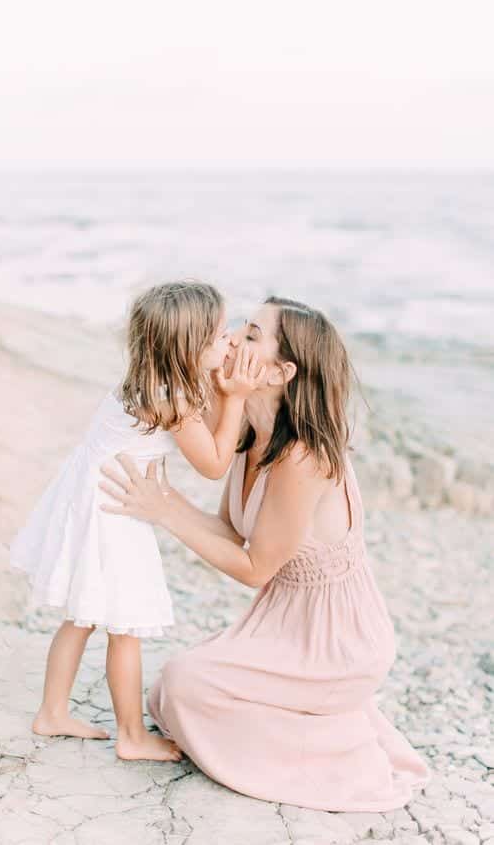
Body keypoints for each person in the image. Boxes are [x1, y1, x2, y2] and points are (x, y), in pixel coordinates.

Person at [99, 296, 430, 810]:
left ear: (281, 371)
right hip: (283, 622)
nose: (232, 337)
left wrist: (165, 512)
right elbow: (232, 532)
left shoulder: (303, 456)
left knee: (184, 686)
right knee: (169, 689)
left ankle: (343, 742)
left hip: (335, 639)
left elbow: (254, 568)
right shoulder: (253, 433)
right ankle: (315, 715)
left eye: (251, 334)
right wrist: (165, 501)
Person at [10, 280, 264, 762]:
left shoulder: (151, 379)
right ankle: (131, 736)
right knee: (125, 626)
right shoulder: (174, 402)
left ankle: (52, 711)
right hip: (113, 509)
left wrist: (218, 382)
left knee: (81, 617)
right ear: (188, 349)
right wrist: (235, 399)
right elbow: (213, 464)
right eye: (218, 335)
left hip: (92, 498)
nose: (230, 339)